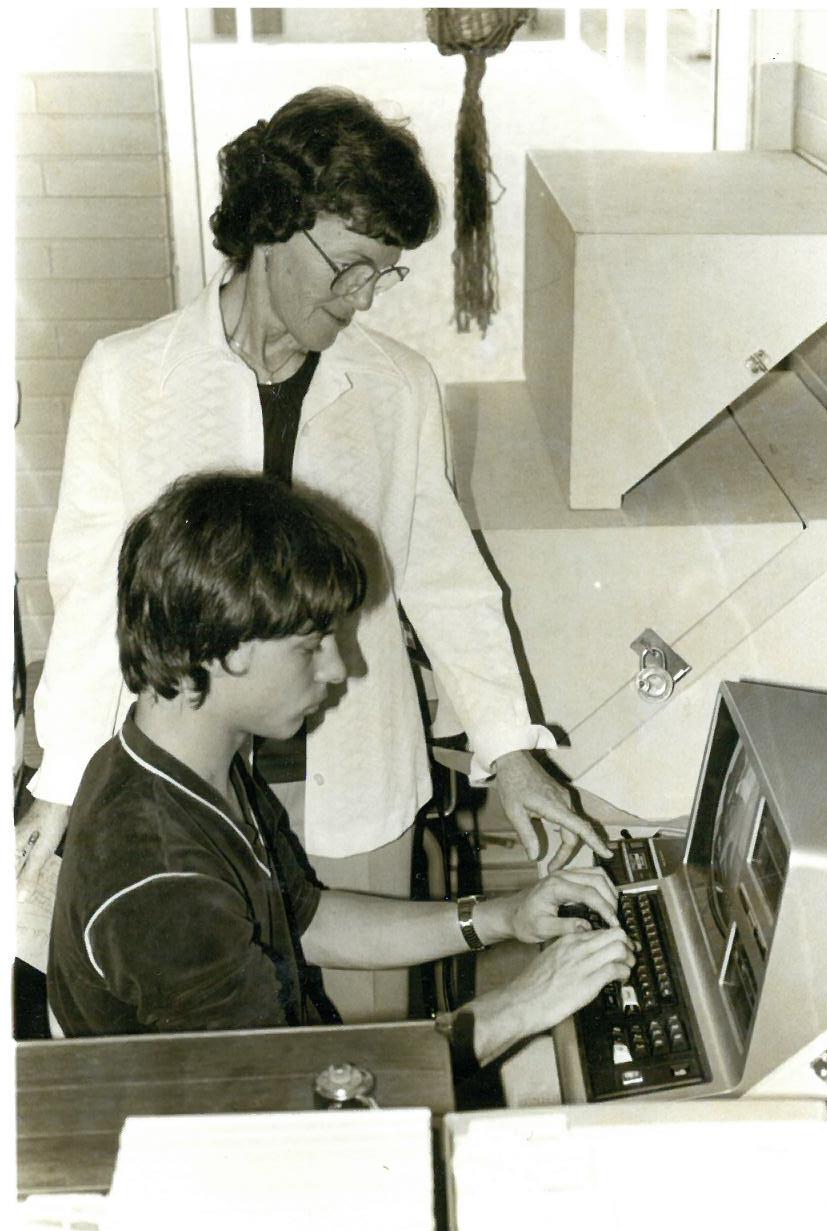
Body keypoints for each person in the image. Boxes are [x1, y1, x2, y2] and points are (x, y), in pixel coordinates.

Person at [19, 86, 611, 1019]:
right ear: (270, 229)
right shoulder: (130, 376)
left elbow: (445, 583)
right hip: (193, 762)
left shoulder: (397, 386)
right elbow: (98, 593)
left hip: (349, 775)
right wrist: (60, 787)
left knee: (374, 1040)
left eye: (384, 273)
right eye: (349, 267)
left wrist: (514, 752)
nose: (364, 296)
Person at [46, 472, 633, 1076]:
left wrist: (502, 916)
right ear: (228, 649)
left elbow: (303, 918)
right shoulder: (162, 879)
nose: (339, 667)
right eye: (312, 644)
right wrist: (521, 1005)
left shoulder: (184, 763)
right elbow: (297, 1092)